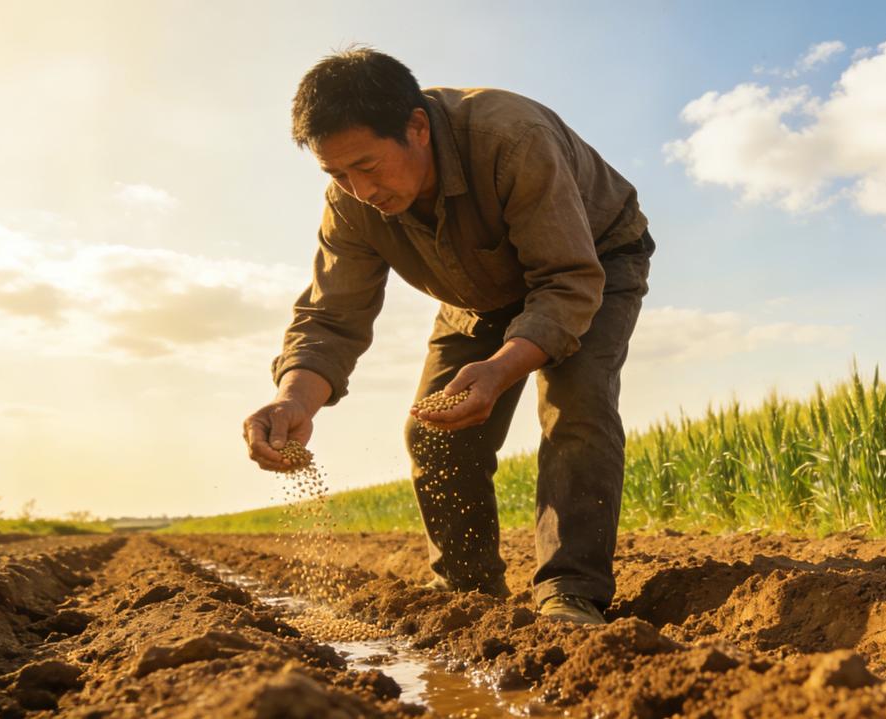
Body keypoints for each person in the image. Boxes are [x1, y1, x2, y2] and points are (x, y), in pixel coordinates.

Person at [241, 47, 653, 625]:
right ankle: (469, 600)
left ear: (417, 127)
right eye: (337, 174)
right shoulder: (352, 204)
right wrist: (293, 399)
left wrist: (502, 367)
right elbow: (332, 318)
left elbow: (566, 282)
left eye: (367, 166)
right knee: (432, 432)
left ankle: (570, 591)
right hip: (476, 292)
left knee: (576, 403)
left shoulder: (512, 138)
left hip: (593, 263)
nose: (359, 189)